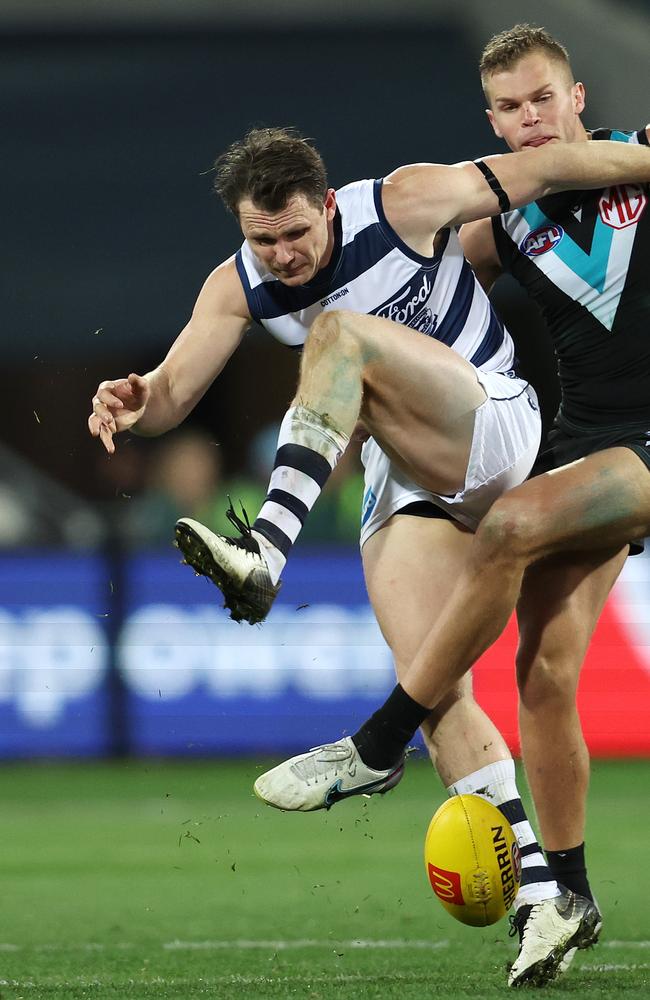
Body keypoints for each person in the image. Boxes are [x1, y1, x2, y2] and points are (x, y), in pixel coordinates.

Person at [87, 125, 650, 988]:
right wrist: (136, 403)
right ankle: (547, 897)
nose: (278, 254)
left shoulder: (405, 200)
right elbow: (174, 390)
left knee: (339, 334)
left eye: (293, 233)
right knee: (433, 679)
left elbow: (551, 166)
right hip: (405, 468)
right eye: (260, 238)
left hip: (493, 419)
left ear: (326, 202)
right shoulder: (238, 283)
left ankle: (266, 551)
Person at [251, 25, 650, 986]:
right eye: (509, 108)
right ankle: (569, 896)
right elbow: (416, 293)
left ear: (577, 98)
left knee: (508, 527)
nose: (528, 119)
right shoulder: (495, 222)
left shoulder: (640, 158)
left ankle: (379, 739)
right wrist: (347, 378)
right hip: (588, 448)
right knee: (544, 674)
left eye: (542, 99)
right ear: (490, 121)